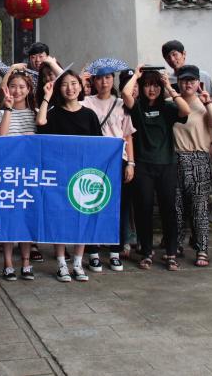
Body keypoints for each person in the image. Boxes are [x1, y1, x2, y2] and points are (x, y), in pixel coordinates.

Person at [121, 65, 190, 272]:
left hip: (167, 165)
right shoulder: (137, 107)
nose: (152, 90)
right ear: (142, 87)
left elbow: (185, 110)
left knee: (169, 209)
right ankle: (146, 252)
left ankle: (171, 253)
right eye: (148, 85)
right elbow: (126, 94)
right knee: (143, 208)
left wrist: (169, 86)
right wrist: (137, 74)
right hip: (143, 165)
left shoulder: (167, 108)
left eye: (156, 86)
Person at [37, 70, 102, 282]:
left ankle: (78, 263)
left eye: (74, 83)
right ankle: (61, 264)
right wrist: (47, 96)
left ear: (81, 87)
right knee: (60, 218)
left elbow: (99, 146)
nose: (70, 88)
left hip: (83, 176)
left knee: (82, 217)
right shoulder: (54, 113)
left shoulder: (89, 115)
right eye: (65, 84)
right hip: (59, 176)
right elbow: (41, 123)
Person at [81, 65, 136, 273]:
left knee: (118, 208)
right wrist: (80, 79)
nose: (104, 82)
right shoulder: (86, 102)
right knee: (92, 206)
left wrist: (131, 163)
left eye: (108, 78)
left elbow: (127, 135)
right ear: (93, 81)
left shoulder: (121, 104)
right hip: (93, 160)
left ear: (113, 80)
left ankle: (115, 252)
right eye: (99, 78)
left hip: (117, 160)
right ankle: (93, 253)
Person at [172, 65, 212, 268]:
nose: (188, 84)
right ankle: (176, 244)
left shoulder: (203, 104)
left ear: (198, 83)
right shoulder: (172, 103)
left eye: (191, 81)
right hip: (175, 158)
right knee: (176, 208)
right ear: (178, 82)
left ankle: (202, 248)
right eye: (184, 80)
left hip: (198, 159)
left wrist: (208, 103)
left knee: (199, 207)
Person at [0, 66, 38, 280]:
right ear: (6, 89)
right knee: (9, 219)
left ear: (29, 89)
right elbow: (1, 137)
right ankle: (8, 263)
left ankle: (26, 262)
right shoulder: (0, 113)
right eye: (13, 86)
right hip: (7, 173)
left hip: (29, 175)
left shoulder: (36, 114)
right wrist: (8, 109)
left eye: (22, 87)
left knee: (26, 219)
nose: (17, 90)